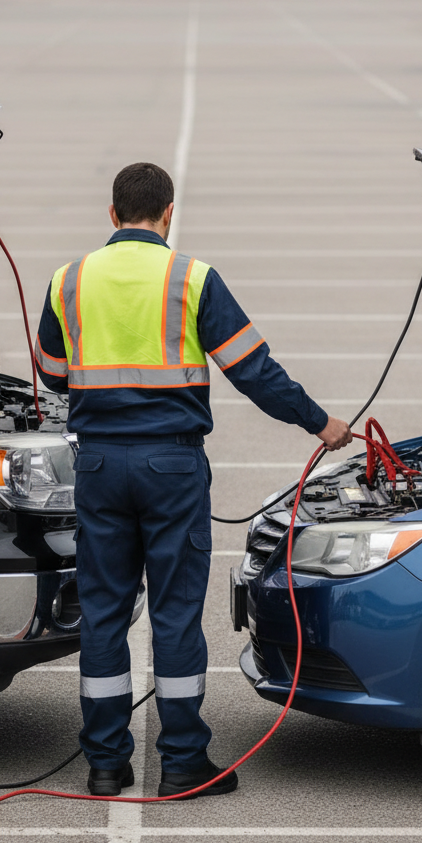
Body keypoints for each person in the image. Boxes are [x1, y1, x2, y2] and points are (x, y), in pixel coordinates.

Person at [34, 162, 352, 800]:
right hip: (171, 467)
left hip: (97, 465)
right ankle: (182, 761)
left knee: (102, 612)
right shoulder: (193, 279)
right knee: (176, 613)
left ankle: (104, 765)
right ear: (168, 213)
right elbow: (253, 371)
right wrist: (320, 424)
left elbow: (52, 372)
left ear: (112, 214)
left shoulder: (67, 281)